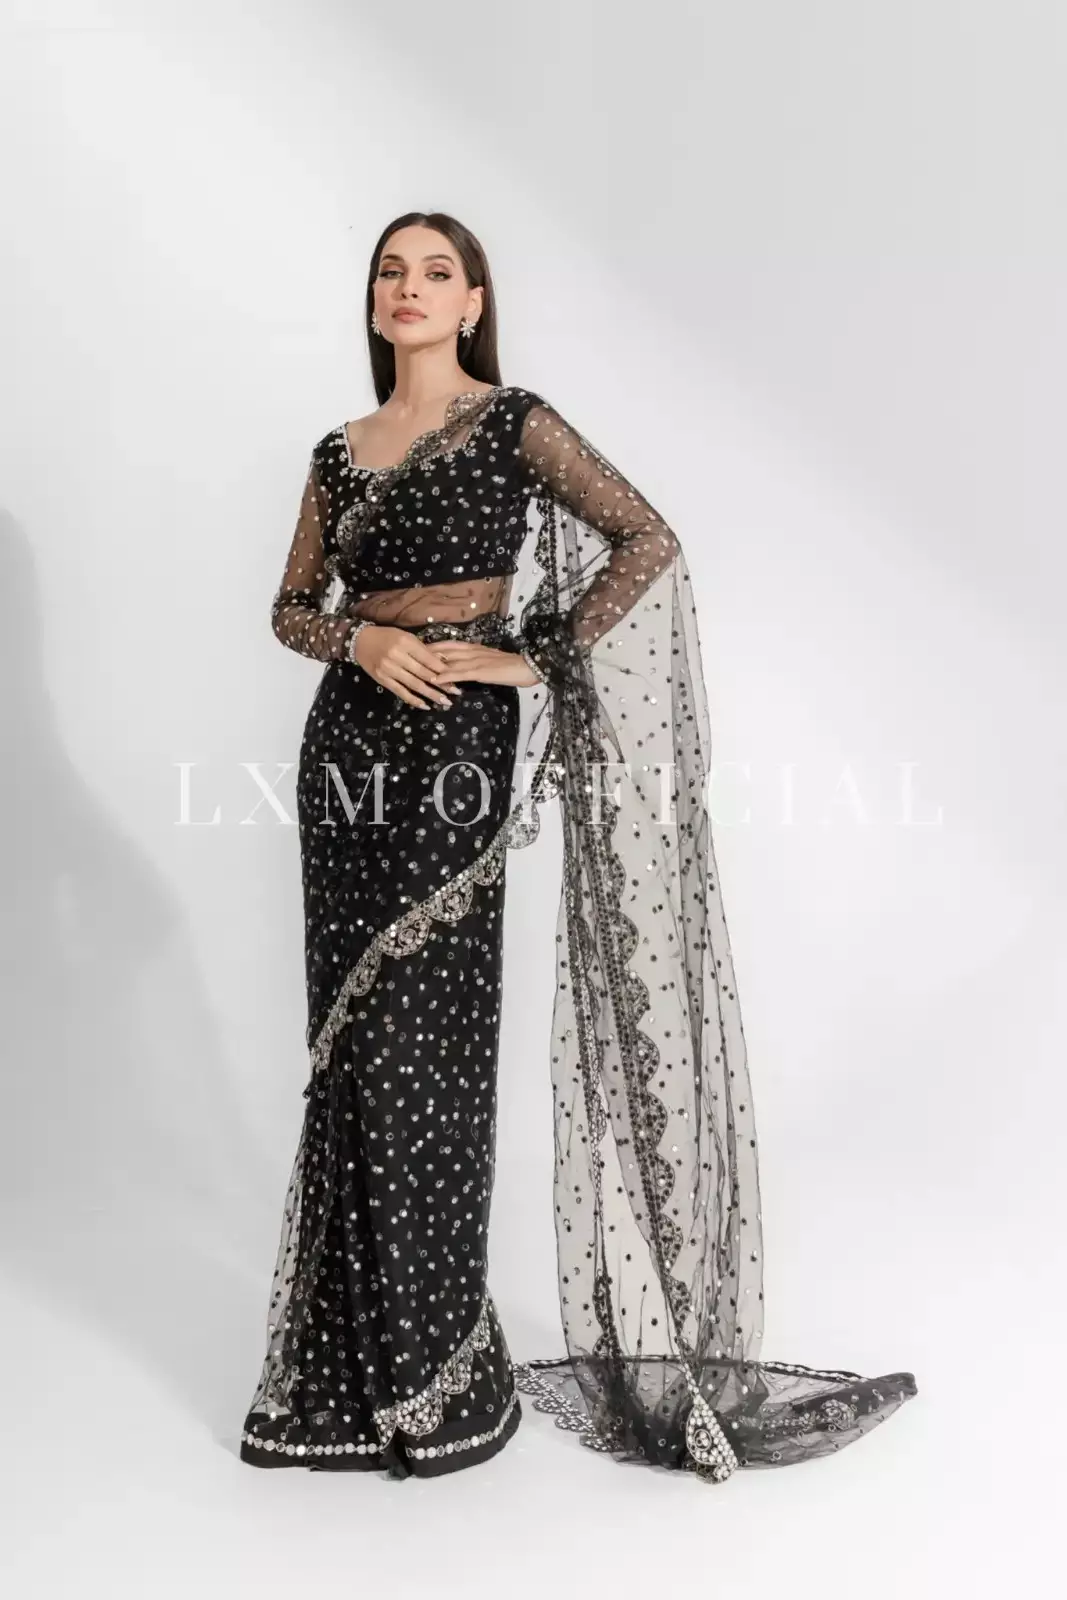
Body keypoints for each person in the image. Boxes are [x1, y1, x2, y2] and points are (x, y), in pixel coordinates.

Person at [239, 210, 917, 1483]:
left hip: (454, 750)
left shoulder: (512, 424)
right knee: (349, 1048)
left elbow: (645, 537)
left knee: (426, 1045)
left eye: (436, 271)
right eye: (389, 271)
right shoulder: (336, 452)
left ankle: (436, 1374)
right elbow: (290, 606)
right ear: (373, 300)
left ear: (473, 301)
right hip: (345, 755)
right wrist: (359, 639)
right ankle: (345, 1371)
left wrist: (528, 657)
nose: (408, 288)